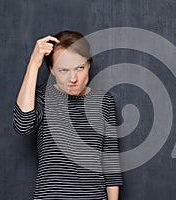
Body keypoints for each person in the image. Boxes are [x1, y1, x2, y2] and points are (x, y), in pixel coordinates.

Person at [13, 30, 123, 200]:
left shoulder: (104, 102)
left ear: (89, 65)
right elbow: (22, 126)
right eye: (63, 70)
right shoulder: (41, 97)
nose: (73, 78)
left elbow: (110, 161)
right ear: (52, 70)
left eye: (79, 67)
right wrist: (33, 65)